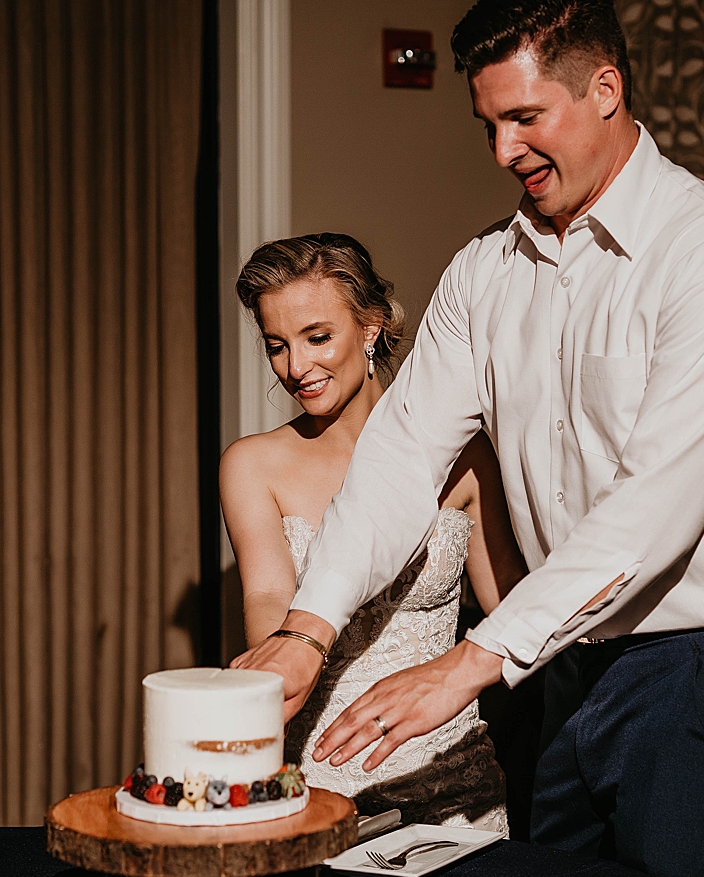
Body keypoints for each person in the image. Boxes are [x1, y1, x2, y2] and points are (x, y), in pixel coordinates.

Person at [233, 0, 704, 877]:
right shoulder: (484, 270)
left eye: (524, 117)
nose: (506, 151)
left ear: (605, 87)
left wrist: (467, 664)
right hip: (567, 661)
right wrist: (306, 628)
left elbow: (654, 510)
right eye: (489, 125)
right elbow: (399, 455)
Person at [220, 233, 521, 831]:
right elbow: (269, 602)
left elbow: (509, 607)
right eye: (276, 346)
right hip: (319, 787)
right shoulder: (252, 464)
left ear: (372, 327)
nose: (295, 368)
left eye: (317, 338)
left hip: (452, 780)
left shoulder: (465, 454)